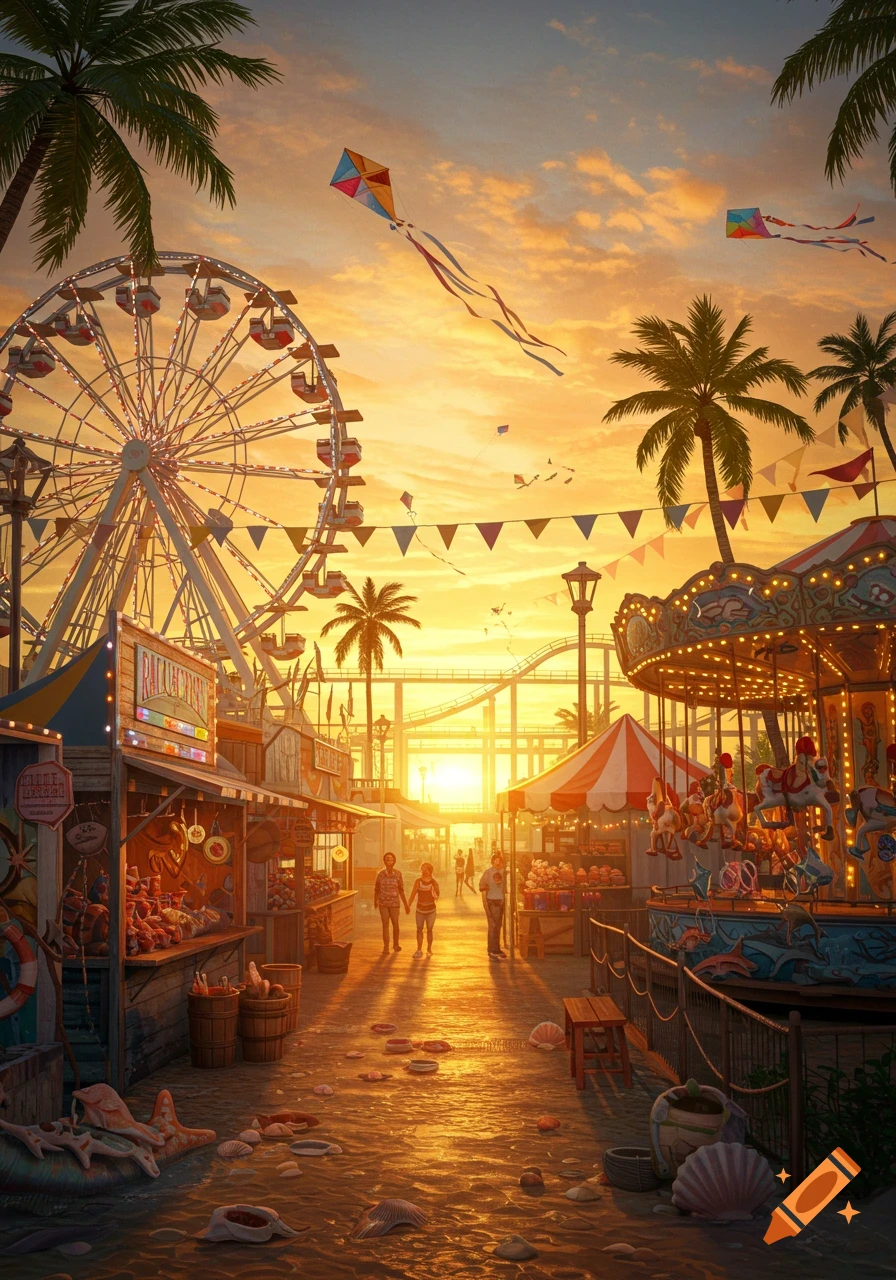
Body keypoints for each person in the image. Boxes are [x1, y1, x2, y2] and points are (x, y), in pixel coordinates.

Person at [374, 852, 408, 954]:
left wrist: (406, 904)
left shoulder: (398, 874)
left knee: (395, 924)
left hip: (394, 903)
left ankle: (396, 944)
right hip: (383, 903)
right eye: (387, 859)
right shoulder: (380, 875)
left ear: (394, 861)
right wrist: (375, 900)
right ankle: (386, 947)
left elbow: (401, 890)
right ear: (384, 861)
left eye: (391, 859)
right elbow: (377, 889)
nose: (389, 861)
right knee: (385, 925)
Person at [407, 862, 440, 957]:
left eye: (426, 868)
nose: (423, 870)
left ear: (430, 871)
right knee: (419, 929)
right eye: (423, 868)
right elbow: (413, 894)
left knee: (430, 929)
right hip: (420, 910)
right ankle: (419, 950)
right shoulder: (418, 881)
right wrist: (408, 905)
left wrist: (434, 892)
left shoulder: (434, 882)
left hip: (431, 911)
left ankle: (429, 949)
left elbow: (437, 896)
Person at [479, 850, 506, 959]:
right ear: (492, 862)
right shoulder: (488, 872)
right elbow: (482, 886)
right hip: (492, 901)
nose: (497, 862)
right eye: (495, 860)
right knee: (493, 926)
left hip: (501, 901)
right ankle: (491, 949)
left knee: (498, 926)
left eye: (499, 860)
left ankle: (496, 948)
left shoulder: (504, 872)